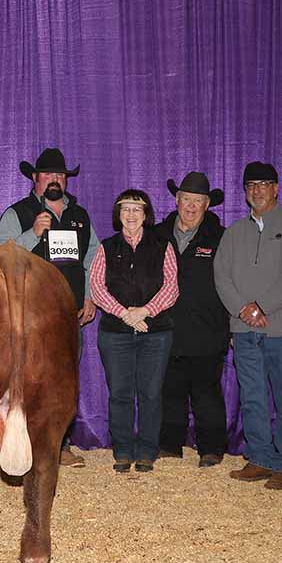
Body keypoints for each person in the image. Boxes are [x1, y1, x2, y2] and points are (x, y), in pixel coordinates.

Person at [0, 147, 99, 467]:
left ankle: (58, 445)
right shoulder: (18, 213)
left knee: (63, 381)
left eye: (61, 175)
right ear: (35, 179)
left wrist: (91, 294)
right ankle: (20, 441)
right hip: (27, 314)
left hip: (69, 313)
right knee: (24, 378)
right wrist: (31, 234)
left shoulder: (80, 216)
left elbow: (93, 258)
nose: (55, 180)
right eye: (49, 174)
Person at [215, 162, 282, 490]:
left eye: (264, 184)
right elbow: (221, 276)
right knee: (252, 397)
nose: (257, 190)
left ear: (276, 188)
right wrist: (243, 310)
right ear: (244, 191)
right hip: (244, 330)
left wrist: (261, 306)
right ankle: (258, 456)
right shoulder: (233, 233)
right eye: (251, 185)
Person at [90, 189, 178, 472]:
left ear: (145, 214)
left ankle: (147, 451)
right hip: (116, 333)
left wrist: (145, 312)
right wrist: (125, 314)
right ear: (118, 214)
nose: (130, 215)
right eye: (125, 209)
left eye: (136, 210)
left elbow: (171, 287)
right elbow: (96, 287)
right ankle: (123, 450)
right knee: (120, 393)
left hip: (156, 332)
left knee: (151, 393)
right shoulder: (106, 247)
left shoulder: (163, 245)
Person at [154, 172, 230, 467]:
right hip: (166, 327)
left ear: (207, 204)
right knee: (168, 390)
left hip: (207, 327)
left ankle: (211, 448)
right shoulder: (158, 236)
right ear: (176, 200)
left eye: (198, 201)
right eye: (186, 199)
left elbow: (231, 281)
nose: (191, 206)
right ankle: (169, 445)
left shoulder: (220, 238)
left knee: (206, 391)